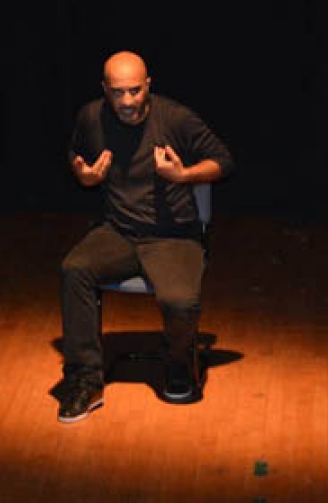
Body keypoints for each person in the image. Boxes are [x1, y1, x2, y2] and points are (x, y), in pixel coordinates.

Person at [58, 51, 234, 423]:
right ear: (105, 89)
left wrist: (183, 176)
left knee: (180, 300)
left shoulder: (176, 118)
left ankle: (178, 363)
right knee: (75, 269)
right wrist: (84, 176)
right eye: (118, 92)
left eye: (135, 91)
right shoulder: (91, 117)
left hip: (174, 236)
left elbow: (223, 161)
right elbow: (76, 155)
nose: (127, 101)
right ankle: (84, 379)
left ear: (148, 86)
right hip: (119, 231)